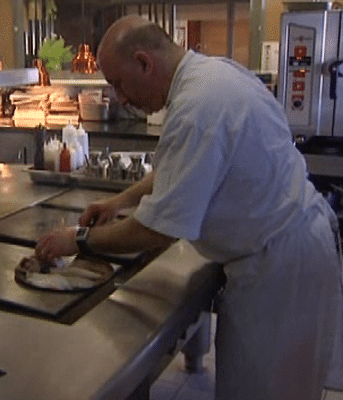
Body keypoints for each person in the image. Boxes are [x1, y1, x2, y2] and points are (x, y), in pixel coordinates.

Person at [35, 15, 343, 400]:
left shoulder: (197, 107)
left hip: (281, 273)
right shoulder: (213, 75)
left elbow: (157, 230)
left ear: (145, 63)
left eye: (119, 83)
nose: (122, 98)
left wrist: (79, 240)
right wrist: (120, 201)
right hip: (292, 251)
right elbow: (183, 169)